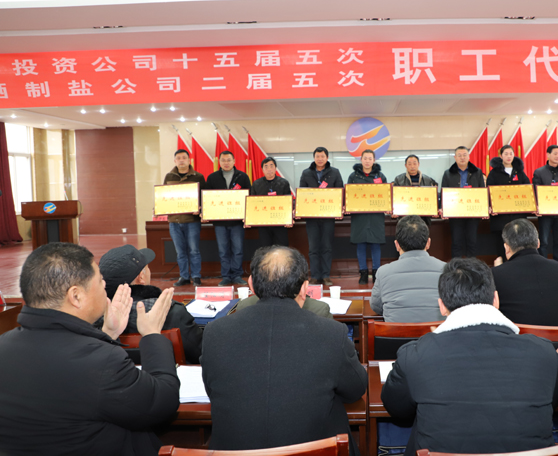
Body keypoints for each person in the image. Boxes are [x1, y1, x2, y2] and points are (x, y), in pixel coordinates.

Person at [0, 242, 180, 456]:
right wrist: (151, 334)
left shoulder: (4, 345)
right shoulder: (102, 361)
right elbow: (162, 402)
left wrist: (108, 334)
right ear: (76, 296)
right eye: (100, 281)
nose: (105, 287)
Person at [382, 257, 558, 456]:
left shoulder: (415, 355)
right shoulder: (545, 354)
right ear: (496, 300)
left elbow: (396, 408)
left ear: (442, 306)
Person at [201, 246, 367, 454]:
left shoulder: (215, 333)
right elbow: (355, 389)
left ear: (251, 285)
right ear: (305, 288)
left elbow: (212, 390)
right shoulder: (332, 333)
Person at [98, 244, 203, 364]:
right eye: (147, 267)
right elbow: (201, 353)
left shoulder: (96, 318)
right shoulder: (173, 313)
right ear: (141, 277)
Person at [492, 219, 558, 326]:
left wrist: (498, 271)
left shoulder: (496, 275)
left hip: (519, 336)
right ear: (538, 243)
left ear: (506, 248)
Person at [370, 215, 444, 322]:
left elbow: (376, 306)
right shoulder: (447, 270)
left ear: (397, 245)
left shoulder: (383, 272)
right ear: (428, 243)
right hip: (436, 332)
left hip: (396, 332)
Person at [299, 147, 344, 287]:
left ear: (327, 158)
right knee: (313, 247)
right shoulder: (306, 173)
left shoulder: (334, 172)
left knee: (326, 246)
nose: (320, 159)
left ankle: (325, 276)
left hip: (328, 216)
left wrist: (340, 208)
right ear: (314, 158)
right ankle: (314, 276)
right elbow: (302, 194)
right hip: (311, 217)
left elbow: (340, 192)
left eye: (322, 156)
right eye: (317, 156)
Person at [205, 150, 251, 286]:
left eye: (229, 160)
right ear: (219, 162)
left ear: (234, 161)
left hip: (237, 221)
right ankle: (226, 276)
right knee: (223, 250)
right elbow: (207, 198)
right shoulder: (212, 177)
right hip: (220, 222)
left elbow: (249, 197)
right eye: (223, 160)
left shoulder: (242, 177)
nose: (226, 163)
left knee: (238, 250)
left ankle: (236, 275)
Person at [164, 148, 206, 286]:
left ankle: (196, 276)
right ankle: (184, 276)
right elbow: (164, 196)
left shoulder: (198, 177)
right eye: (178, 158)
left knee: (194, 250)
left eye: (184, 158)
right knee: (180, 252)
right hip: (174, 221)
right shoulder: (169, 177)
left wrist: (200, 208)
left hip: (192, 220)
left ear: (189, 160)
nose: (181, 160)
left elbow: (204, 197)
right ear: (175, 161)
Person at [347, 149, 388, 284]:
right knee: (361, 244)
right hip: (359, 215)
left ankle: (376, 273)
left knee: (376, 244)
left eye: (370, 158)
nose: (367, 161)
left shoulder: (380, 176)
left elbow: (386, 195)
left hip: (376, 216)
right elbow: (348, 195)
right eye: (365, 158)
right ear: (361, 159)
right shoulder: (353, 176)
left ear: (374, 160)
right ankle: (363, 273)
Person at [487, 144, 531, 261]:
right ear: (501, 156)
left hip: (517, 215)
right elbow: (488, 192)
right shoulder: (494, 173)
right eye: (506, 154)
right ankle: (503, 264)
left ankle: (518, 263)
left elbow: (528, 190)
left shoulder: (520, 172)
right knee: (502, 242)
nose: (508, 156)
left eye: (511, 154)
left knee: (519, 241)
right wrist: (490, 206)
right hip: (500, 216)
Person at [440, 146, 486, 258]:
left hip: (473, 212)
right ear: (455, 157)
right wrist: (442, 208)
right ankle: (457, 266)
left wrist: (485, 208)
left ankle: (472, 265)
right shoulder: (448, 173)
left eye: (465, 155)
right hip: (455, 212)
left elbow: (482, 192)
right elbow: (443, 192)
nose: (462, 158)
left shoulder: (477, 172)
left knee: (472, 241)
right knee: (456, 241)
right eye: (459, 155)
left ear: (469, 157)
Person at [532, 145, 558, 262]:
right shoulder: (539, 172)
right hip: (545, 213)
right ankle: (543, 264)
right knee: (543, 241)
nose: (557, 156)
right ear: (548, 155)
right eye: (555, 153)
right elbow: (535, 192)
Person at [250, 156, 293, 248]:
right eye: (266, 166)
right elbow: (252, 203)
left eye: (271, 166)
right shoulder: (256, 184)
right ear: (262, 169)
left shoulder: (284, 183)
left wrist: (289, 218)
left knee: (282, 248)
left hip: (280, 222)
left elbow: (288, 202)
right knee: (266, 249)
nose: (269, 169)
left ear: (275, 168)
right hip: (263, 222)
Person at [393, 154, 438, 226]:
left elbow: (432, 197)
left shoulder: (427, 180)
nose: (412, 166)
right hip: (405, 218)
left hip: (423, 218)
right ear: (405, 165)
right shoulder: (398, 179)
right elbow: (394, 197)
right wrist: (394, 210)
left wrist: (435, 209)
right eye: (409, 164)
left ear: (418, 164)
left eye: (414, 163)